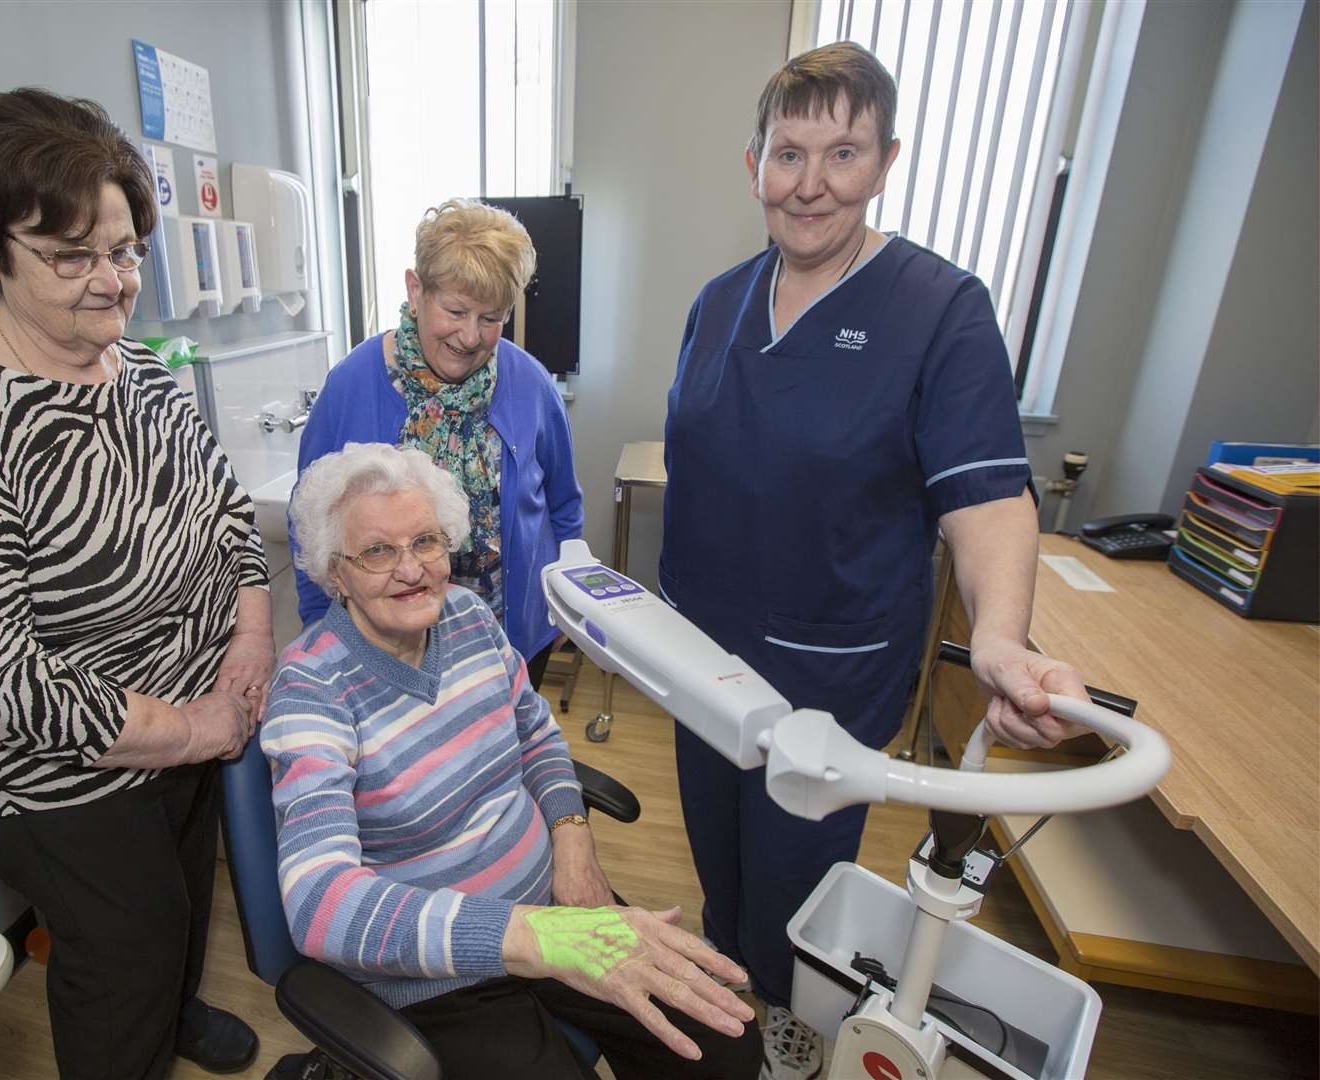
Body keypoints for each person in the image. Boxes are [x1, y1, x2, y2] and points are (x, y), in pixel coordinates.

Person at [660, 44, 1092, 1080]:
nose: (811, 182)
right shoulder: (718, 302)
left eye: (843, 153)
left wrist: (999, 637)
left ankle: (791, 1038)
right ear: (753, 162)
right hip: (702, 665)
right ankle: (739, 1028)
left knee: (794, 893)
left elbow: (987, 494)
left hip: (828, 674)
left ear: (887, 160)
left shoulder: (939, 310)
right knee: (720, 875)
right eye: (788, 153)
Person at [0, 88, 271, 1080]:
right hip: (62, 772)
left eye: (127, 250)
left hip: (189, 721)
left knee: (178, 908)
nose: (112, 282)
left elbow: (225, 508)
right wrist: (194, 729)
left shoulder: (135, 369)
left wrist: (250, 638)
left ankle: (174, 1011)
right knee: (119, 958)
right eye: (73, 256)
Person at [263, 443, 762, 1079]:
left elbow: (537, 736)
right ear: (335, 573)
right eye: (378, 551)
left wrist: (573, 839)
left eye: (427, 541)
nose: (412, 569)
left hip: (555, 907)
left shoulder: (469, 617)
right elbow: (319, 905)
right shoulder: (311, 688)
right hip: (438, 977)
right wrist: (534, 937)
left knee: (726, 1042)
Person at [293, 199, 582, 687]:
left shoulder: (530, 386)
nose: (470, 336)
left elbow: (563, 506)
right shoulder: (351, 386)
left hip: (509, 642)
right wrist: (322, 632)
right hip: (381, 648)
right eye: (455, 310)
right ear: (415, 289)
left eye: (492, 318)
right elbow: (308, 527)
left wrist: (558, 605)